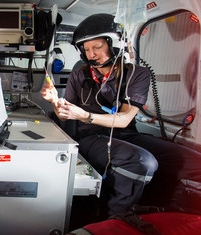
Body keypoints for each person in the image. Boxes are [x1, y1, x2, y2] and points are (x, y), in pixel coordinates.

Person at [41, 13, 201, 216]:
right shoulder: (79, 73)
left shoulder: (137, 74)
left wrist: (85, 115)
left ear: (114, 43)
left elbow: (125, 119)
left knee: (193, 161)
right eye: (87, 49)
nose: (91, 54)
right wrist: (56, 102)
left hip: (125, 133)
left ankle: (168, 211)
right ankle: (115, 218)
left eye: (97, 47)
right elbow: (65, 115)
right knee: (143, 161)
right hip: (90, 136)